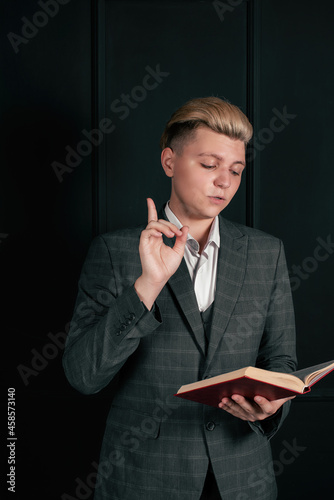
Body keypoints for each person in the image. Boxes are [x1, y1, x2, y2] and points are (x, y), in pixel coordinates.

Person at [62, 97, 297, 500]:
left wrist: (273, 406)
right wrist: (147, 286)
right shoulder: (114, 251)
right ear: (169, 162)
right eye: (209, 165)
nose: (225, 181)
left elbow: (281, 363)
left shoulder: (266, 252)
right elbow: (83, 377)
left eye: (236, 170)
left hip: (243, 480)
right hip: (144, 480)